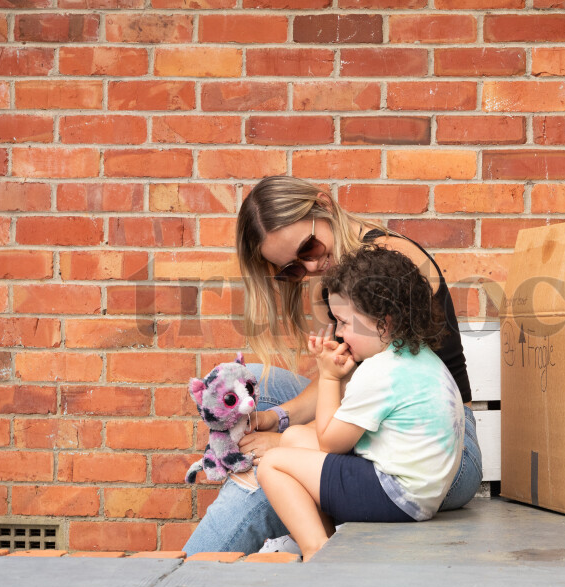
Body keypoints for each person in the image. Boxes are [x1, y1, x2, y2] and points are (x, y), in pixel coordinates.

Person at [182, 175, 482, 556]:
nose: (309, 267)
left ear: (323, 205)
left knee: (273, 465)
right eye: (292, 268)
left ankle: (192, 570)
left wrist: (282, 441)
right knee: (246, 381)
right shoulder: (338, 285)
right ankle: (252, 464)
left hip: (437, 450)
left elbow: (349, 395)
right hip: (383, 417)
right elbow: (342, 376)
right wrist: (276, 420)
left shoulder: (383, 270)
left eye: (309, 247)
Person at [258, 246, 465, 561]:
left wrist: (328, 376)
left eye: (343, 322)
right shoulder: (416, 356)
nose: (339, 333)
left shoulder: (380, 372)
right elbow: (336, 432)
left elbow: (330, 443)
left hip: (394, 494)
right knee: (294, 438)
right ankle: (327, 538)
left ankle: (316, 551)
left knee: (273, 463)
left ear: (383, 323)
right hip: (418, 492)